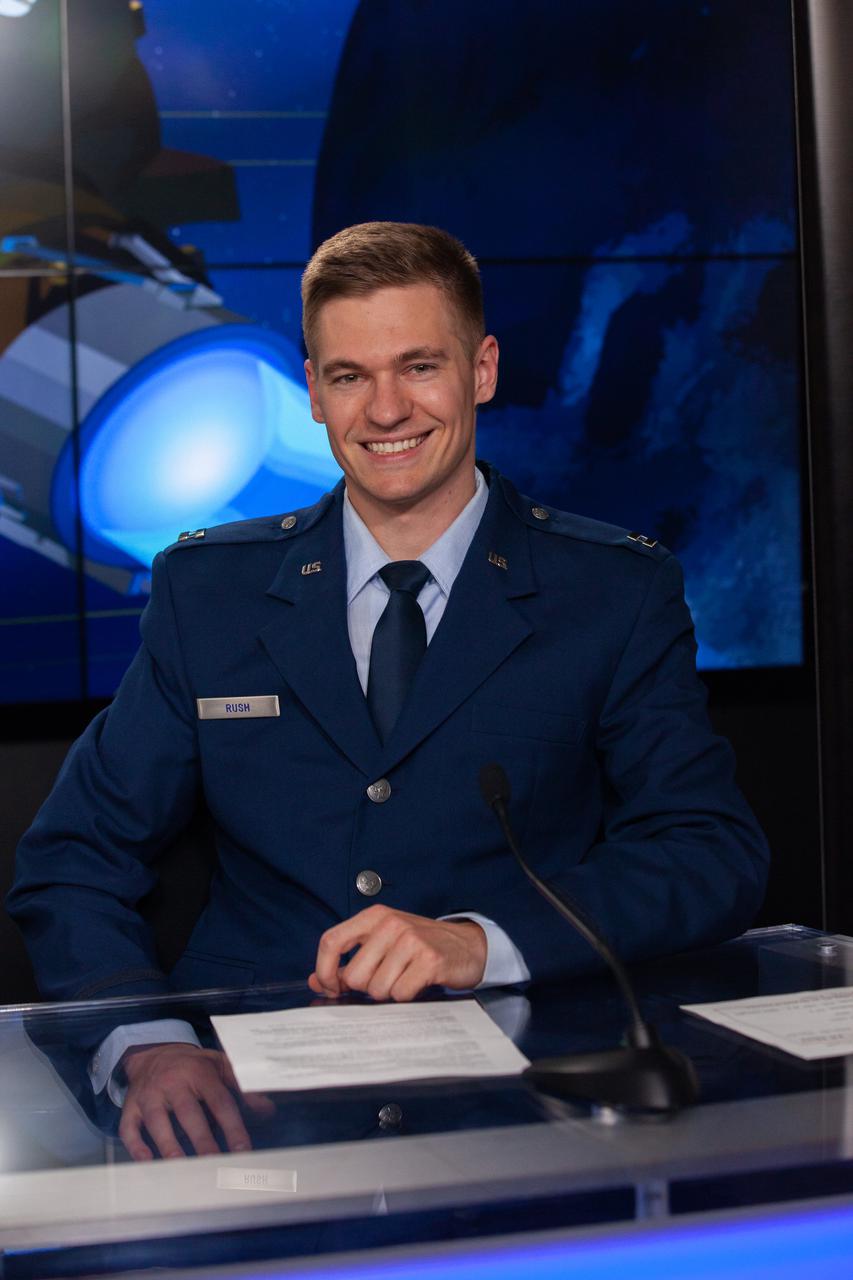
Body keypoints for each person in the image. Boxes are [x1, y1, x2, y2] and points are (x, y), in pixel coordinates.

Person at [7, 221, 769, 1161]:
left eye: (418, 366)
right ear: (312, 391)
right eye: (348, 376)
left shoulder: (612, 591)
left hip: (520, 1102)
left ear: (481, 370)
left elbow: (706, 850)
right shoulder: (209, 593)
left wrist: (482, 942)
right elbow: (73, 858)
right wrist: (147, 1044)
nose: (384, 410)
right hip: (253, 1113)